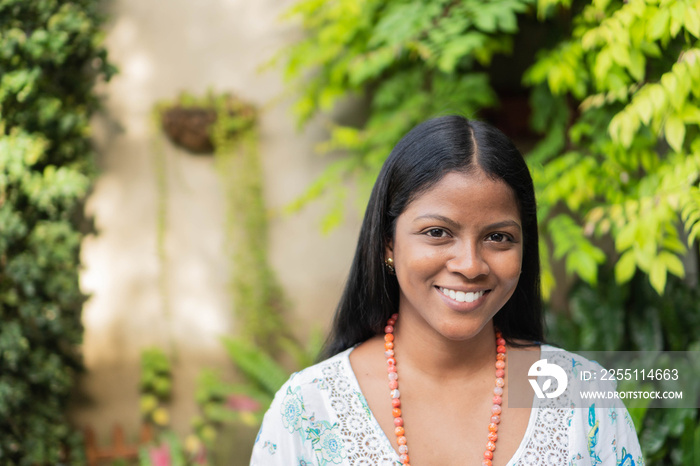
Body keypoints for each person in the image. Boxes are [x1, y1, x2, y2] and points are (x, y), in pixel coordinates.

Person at [250, 116, 643, 465]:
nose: (470, 264)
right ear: (388, 242)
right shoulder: (307, 410)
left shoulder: (582, 400)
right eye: (437, 233)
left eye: (499, 237)